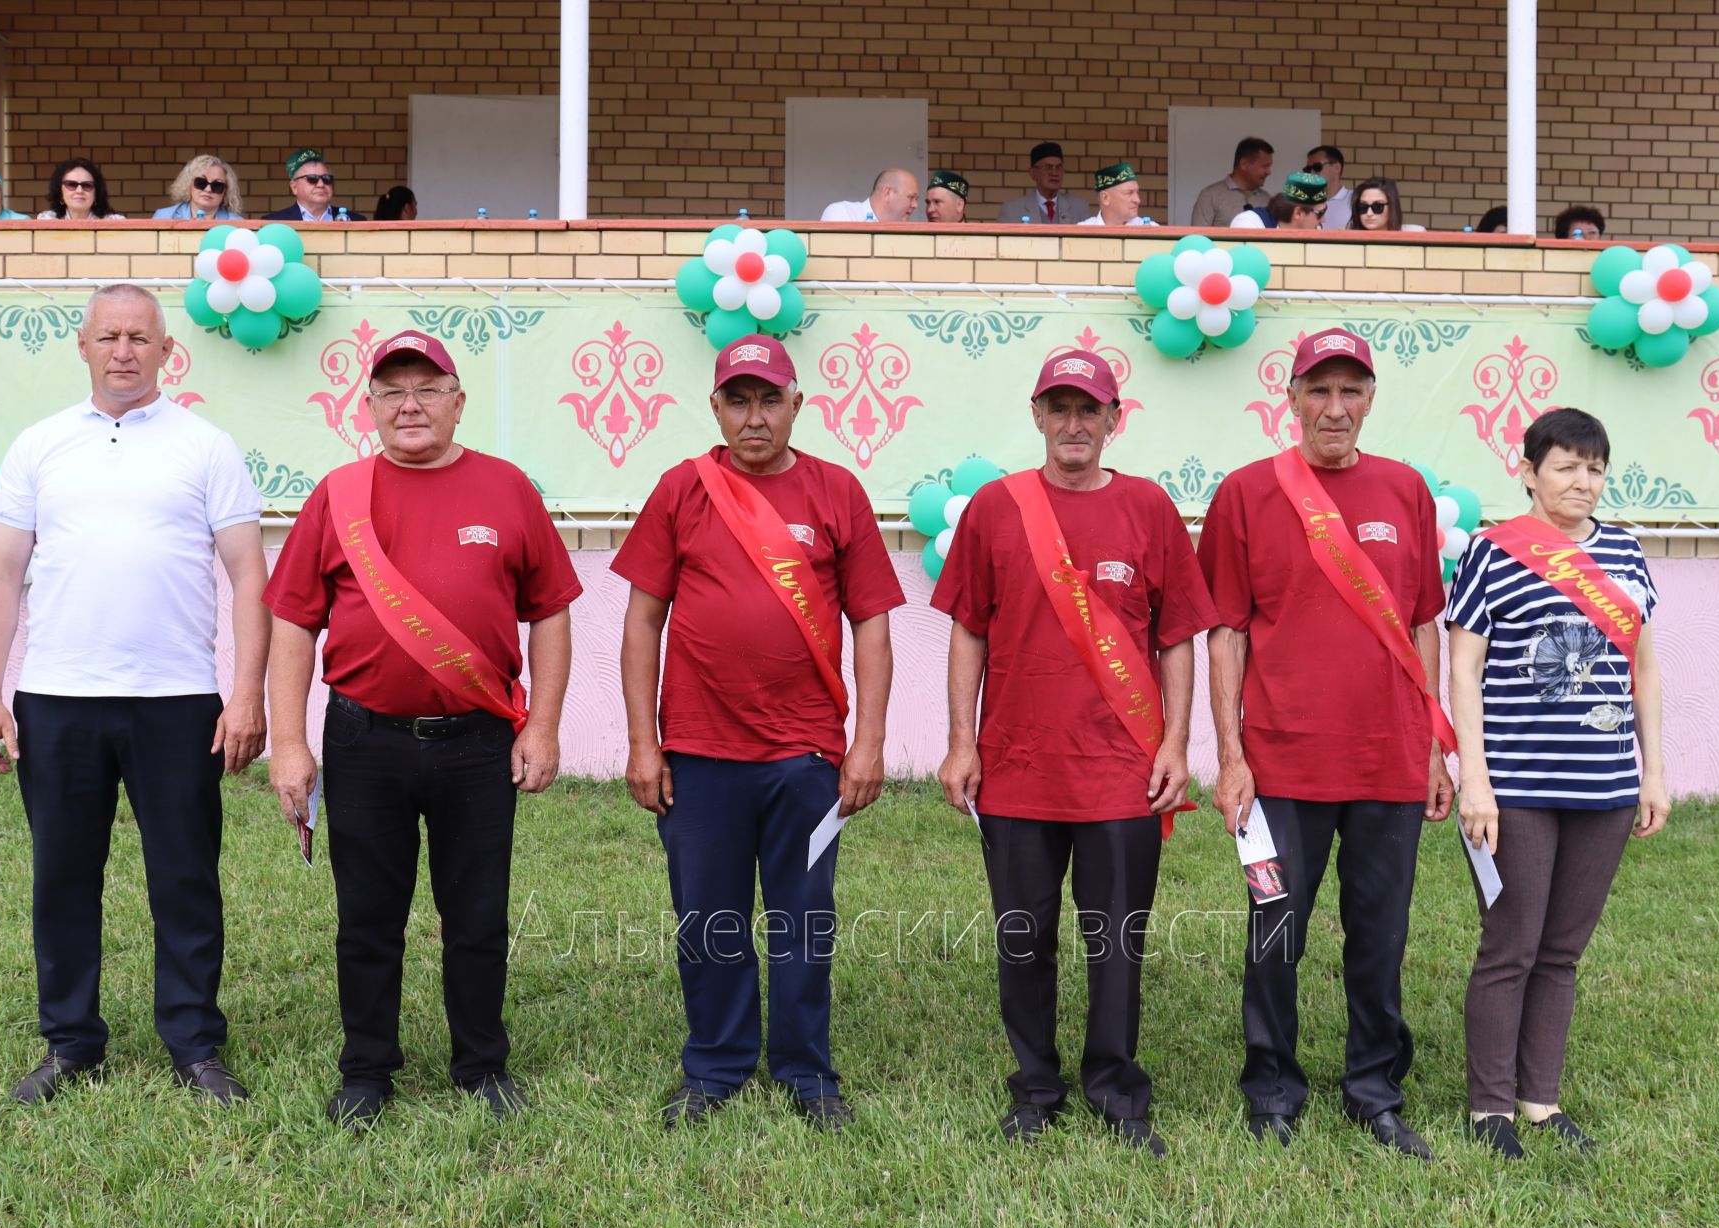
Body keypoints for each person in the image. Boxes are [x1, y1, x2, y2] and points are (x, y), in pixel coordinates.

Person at [264, 330, 579, 1131]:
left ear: (458, 401)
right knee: (367, 916)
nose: (411, 404)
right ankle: (367, 1070)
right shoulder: (337, 495)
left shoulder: (508, 489)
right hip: (364, 741)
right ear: (369, 407)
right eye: (393, 390)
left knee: (477, 913)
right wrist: (292, 742)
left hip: (477, 742)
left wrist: (541, 724)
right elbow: (295, 625)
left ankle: (481, 1064)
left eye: (428, 388)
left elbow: (548, 614)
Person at [0, 284, 269, 1107]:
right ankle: (71, 1043)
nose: (125, 350)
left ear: (168, 350)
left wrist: (246, 695)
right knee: (63, 875)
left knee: (184, 876)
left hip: (177, 700)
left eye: (141, 336)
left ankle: (195, 1043)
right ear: (84, 346)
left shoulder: (206, 445)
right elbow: (0, 577)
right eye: (110, 336)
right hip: (58, 698)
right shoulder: (40, 446)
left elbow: (250, 579)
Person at [613, 333, 903, 1133]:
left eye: (769, 399)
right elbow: (643, 620)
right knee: (709, 920)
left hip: (806, 758)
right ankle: (716, 1066)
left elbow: (873, 624)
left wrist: (868, 742)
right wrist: (644, 743)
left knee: (804, 921)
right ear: (715, 407)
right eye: (738, 400)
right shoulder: (682, 489)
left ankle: (808, 1074)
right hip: (700, 756)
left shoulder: (837, 492)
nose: (754, 416)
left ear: (797, 406)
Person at [934, 350, 1216, 1151]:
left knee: (1116, 941)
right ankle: (1034, 1088)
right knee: (1023, 939)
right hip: (1019, 767)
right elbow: (968, 630)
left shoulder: (1149, 508)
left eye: (1089, 410)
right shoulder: (996, 508)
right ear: (1036, 416)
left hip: (1121, 772)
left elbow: (1176, 637)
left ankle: (1117, 1090)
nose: (1073, 424)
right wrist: (962, 742)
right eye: (1058, 409)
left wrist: (1174, 741)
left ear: (1114, 420)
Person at [1198, 328, 1455, 1161]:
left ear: (1370, 399)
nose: (1334, 408)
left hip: (1386, 761)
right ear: (1293, 396)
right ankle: (1271, 1089)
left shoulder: (1406, 489)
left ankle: (1374, 1092)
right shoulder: (1245, 494)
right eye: (1319, 391)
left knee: (1379, 935)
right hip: (1280, 763)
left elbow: (1423, 620)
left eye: (1350, 391)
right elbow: (1228, 631)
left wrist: (1430, 747)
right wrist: (1231, 755)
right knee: (1276, 930)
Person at [1447, 407, 1668, 1161]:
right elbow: (1465, 669)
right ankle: (1489, 1108)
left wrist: (1654, 772)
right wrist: (1473, 779)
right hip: (1516, 787)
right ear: (1531, 471)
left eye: (1595, 467)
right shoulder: (1493, 553)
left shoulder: (1628, 556)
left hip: (1603, 787)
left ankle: (1540, 1101)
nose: (1584, 481)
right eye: (1568, 466)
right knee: (1510, 944)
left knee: (1564, 950)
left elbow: (1642, 668)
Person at [1189, 137, 1273, 227]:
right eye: (1265, 166)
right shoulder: (1210, 196)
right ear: (1244, 164)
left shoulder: (1267, 200)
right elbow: (1198, 237)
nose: (1269, 172)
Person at [997, 143, 1089, 225]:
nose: (1054, 173)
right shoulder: (1012, 210)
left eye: (1058, 167)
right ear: (1033, 173)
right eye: (1047, 167)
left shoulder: (1079, 208)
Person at [264, 148, 365, 222]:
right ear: (294, 187)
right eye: (312, 179)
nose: (321, 184)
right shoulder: (274, 223)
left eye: (326, 179)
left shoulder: (356, 221)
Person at [1231, 172, 1329, 231]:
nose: (1324, 220)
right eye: (1320, 213)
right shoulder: (1249, 223)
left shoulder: (1316, 229)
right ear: (1298, 213)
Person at [154, 155, 243, 220]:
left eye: (217, 185)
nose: (208, 190)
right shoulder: (164, 217)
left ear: (226, 191)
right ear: (189, 184)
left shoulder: (236, 224)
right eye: (201, 182)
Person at [35, 158, 125, 220]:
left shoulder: (115, 222)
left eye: (87, 185)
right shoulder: (47, 220)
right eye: (71, 184)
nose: (79, 191)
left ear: (96, 193)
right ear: (60, 192)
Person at [819, 168, 919, 222]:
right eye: (911, 197)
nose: (915, 205)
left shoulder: (903, 229)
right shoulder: (842, 213)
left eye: (916, 199)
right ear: (888, 193)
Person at [1076, 164, 1157, 227]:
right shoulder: (1082, 232)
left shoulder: (1152, 230)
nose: (1137, 200)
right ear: (1105, 198)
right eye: (1129, 193)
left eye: (1137, 192)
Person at [1305, 146, 1351, 230]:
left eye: (1317, 167)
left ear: (1337, 168)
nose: (1311, 173)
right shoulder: (1302, 203)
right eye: (1308, 169)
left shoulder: (1355, 199)